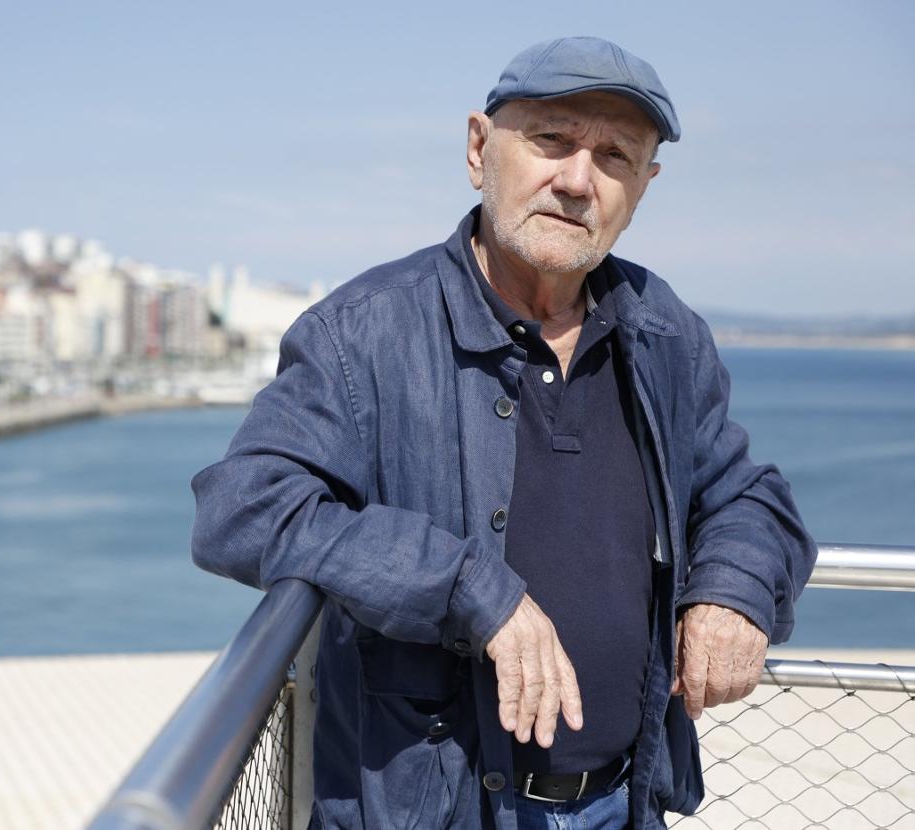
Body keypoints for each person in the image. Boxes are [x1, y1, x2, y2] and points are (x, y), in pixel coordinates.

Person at [190, 36, 816, 830]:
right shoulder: (366, 332)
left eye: (616, 156)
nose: (579, 181)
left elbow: (747, 494)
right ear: (480, 148)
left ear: (643, 188)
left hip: (625, 804)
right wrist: (467, 589)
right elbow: (243, 507)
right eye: (552, 141)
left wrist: (733, 590)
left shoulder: (665, 333)